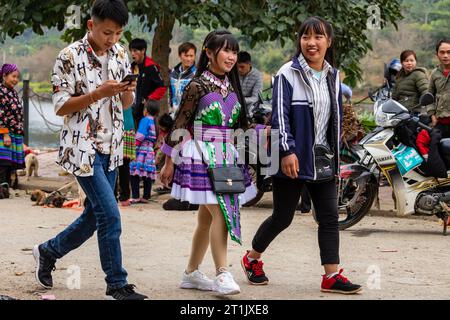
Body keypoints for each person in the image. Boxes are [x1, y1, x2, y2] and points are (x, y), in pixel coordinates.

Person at [33, 0, 147, 300]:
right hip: (82, 149)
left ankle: (47, 251)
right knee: (110, 215)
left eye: (118, 33)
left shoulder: (121, 54)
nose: (113, 39)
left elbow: (124, 104)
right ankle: (117, 284)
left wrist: (127, 91)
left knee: (95, 217)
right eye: (107, 32)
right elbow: (60, 107)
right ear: (91, 25)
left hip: (113, 146)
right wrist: (97, 93)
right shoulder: (68, 56)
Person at [241, 16, 362, 294]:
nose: (311, 42)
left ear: (328, 42)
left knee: (329, 217)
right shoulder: (287, 74)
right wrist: (287, 151)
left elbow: (336, 120)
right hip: (293, 157)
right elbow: (280, 118)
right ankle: (251, 258)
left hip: (323, 158)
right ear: (300, 41)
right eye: (306, 36)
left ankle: (331, 276)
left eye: (318, 37)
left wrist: (336, 156)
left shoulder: (333, 76)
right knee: (283, 217)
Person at [160, 30, 257, 295]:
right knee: (220, 213)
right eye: (226, 50)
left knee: (206, 217)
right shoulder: (197, 85)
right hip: (201, 154)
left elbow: (240, 126)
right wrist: (168, 161)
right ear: (209, 52)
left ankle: (191, 273)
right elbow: (180, 123)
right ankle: (223, 273)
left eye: (234, 52)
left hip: (226, 156)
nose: (231, 56)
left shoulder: (232, 85)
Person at [129, 38, 166, 128]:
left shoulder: (151, 67)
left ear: (143, 50)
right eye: (131, 51)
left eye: (135, 50)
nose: (132, 54)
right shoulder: (132, 67)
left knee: (146, 139)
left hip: (146, 113)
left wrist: (148, 100)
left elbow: (162, 88)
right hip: (133, 110)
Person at [0, 64, 25, 189]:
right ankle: (2, 188)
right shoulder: (1, 92)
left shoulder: (13, 92)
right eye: (13, 76)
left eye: (17, 77)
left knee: (9, 162)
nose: (16, 80)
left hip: (14, 131)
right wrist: (5, 133)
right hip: (4, 133)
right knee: (3, 161)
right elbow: (1, 114)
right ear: (4, 76)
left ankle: (8, 186)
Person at [129, 100, 158, 204]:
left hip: (141, 150)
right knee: (147, 173)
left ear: (146, 110)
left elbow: (140, 136)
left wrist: (133, 148)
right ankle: (146, 196)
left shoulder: (145, 120)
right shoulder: (154, 121)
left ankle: (136, 196)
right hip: (150, 151)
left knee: (134, 172)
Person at [392, 50, 429, 115]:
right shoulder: (399, 78)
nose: (409, 63)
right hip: (400, 113)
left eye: (412, 60)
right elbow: (394, 97)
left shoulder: (418, 74)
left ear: (416, 62)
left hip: (414, 113)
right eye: (406, 61)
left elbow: (426, 93)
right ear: (402, 63)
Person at [428, 39, 450, 138]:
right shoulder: (434, 73)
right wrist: (432, 116)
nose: (445, 55)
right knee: (433, 149)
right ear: (437, 54)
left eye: (449, 52)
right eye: (442, 52)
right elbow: (429, 96)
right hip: (440, 123)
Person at [169, 42, 197, 115]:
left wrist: (198, 126)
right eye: (186, 55)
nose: (189, 59)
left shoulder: (198, 74)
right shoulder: (173, 73)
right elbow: (171, 94)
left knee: (197, 126)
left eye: (191, 56)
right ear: (180, 55)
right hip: (175, 115)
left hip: (194, 116)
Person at [116, 105, 136, 207]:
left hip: (118, 128)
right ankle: (124, 197)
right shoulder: (129, 91)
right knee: (124, 166)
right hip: (127, 127)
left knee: (112, 166)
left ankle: (113, 196)